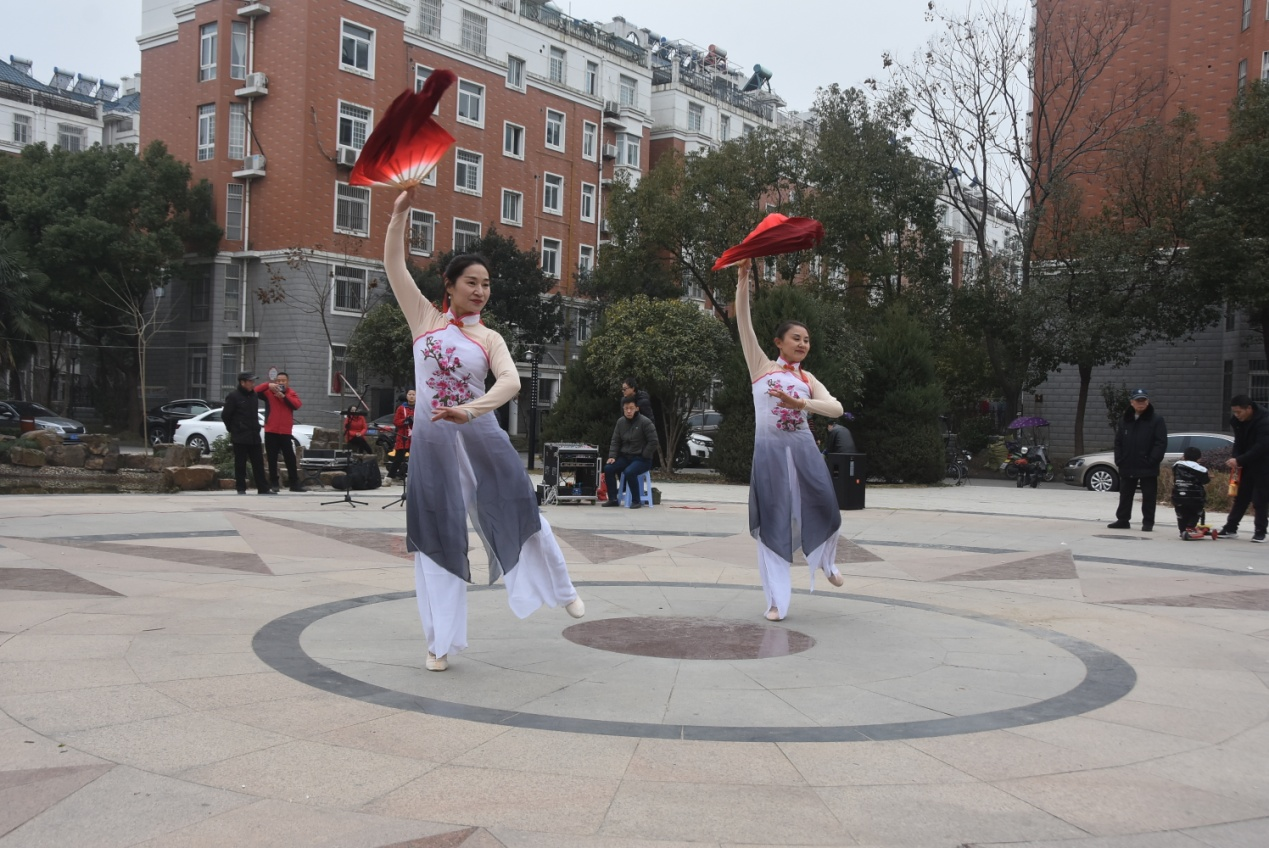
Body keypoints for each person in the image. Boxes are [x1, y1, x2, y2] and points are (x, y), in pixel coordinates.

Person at [384, 189, 583, 673]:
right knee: (436, 534)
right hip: (433, 446)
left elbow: (511, 382)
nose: (480, 291)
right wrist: (400, 213)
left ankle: (562, 589)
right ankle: (439, 643)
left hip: (482, 437)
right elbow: (394, 265)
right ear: (449, 285)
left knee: (521, 507)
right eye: (471, 282)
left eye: (486, 284)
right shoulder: (424, 320)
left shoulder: (489, 337)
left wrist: (470, 411)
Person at [736, 265, 846, 622]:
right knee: (773, 524)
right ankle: (775, 601)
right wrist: (742, 281)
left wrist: (802, 404)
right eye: (796, 338)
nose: (802, 344)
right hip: (770, 455)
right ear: (778, 343)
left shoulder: (808, 379)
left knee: (828, 507)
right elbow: (744, 324)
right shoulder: (762, 368)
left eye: (807, 340)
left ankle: (827, 561)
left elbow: (836, 408)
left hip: (804, 451)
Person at [1107, 388, 1167, 531]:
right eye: (1138, 400)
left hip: (1147, 465)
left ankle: (1148, 522)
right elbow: (1118, 442)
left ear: (1148, 401)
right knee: (1125, 494)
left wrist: (1152, 460)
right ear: (1132, 402)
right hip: (1128, 464)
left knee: (1149, 496)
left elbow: (1160, 443)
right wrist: (1119, 459)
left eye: (1143, 400)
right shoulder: (1125, 420)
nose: (1141, 403)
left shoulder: (1156, 420)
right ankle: (1123, 520)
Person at [1217, 394, 1269, 542]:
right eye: (1234, 412)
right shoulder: (1237, 421)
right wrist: (1236, 459)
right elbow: (1238, 442)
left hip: (1264, 465)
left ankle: (1260, 531)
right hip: (1245, 464)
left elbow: (1262, 447)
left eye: (1239, 412)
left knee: (1260, 499)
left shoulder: (1264, 421)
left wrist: (1239, 459)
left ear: (1249, 409)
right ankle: (1230, 528)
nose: (1236, 415)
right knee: (1240, 498)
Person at [223, 371, 274, 496]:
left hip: (254, 434)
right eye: (250, 381)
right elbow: (225, 415)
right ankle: (241, 488)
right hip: (240, 436)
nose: (253, 383)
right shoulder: (233, 396)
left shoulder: (254, 395)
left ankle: (263, 488)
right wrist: (233, 429)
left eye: (253, 381)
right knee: (240, 463)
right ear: (242, 382)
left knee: (258, 463)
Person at [254, 372, 306, 493]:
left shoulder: (291, 393)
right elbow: (255, 391)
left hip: (285, 431)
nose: (280, 383)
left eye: (283, 381)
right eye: (278, 381)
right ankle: (274, 483)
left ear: (288, 382)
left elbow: (296, 405)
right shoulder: (269, 392)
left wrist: (283, 397)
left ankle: (294, 483)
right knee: (272, 458)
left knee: (290, 458)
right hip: (271, 430)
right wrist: (268, 385)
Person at [603, 397, 658, 509]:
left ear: (637, 408)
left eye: (631, 408)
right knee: (608, 468)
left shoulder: (645, 422)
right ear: (623, 409)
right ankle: (613, 499)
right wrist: (612, 456)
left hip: (642, 459)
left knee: (629, 472)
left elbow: (653, 441)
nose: (629, 411)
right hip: (625, 457)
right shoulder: (620, 422)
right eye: (626, 408)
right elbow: (615, 441)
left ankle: (636, 501)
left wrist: (644, 454)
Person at [387, 389, 415, 481]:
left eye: (413, 394)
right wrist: (405, 421)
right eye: (409, 394)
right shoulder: (401, 408)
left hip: (415, 437)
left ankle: (413, 477)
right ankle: (389, 478)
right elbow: (396, 421)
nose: (411, 396)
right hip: (403, 436)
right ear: (406, 396)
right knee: (398, 458)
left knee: (415, 459)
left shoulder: (419, 408)